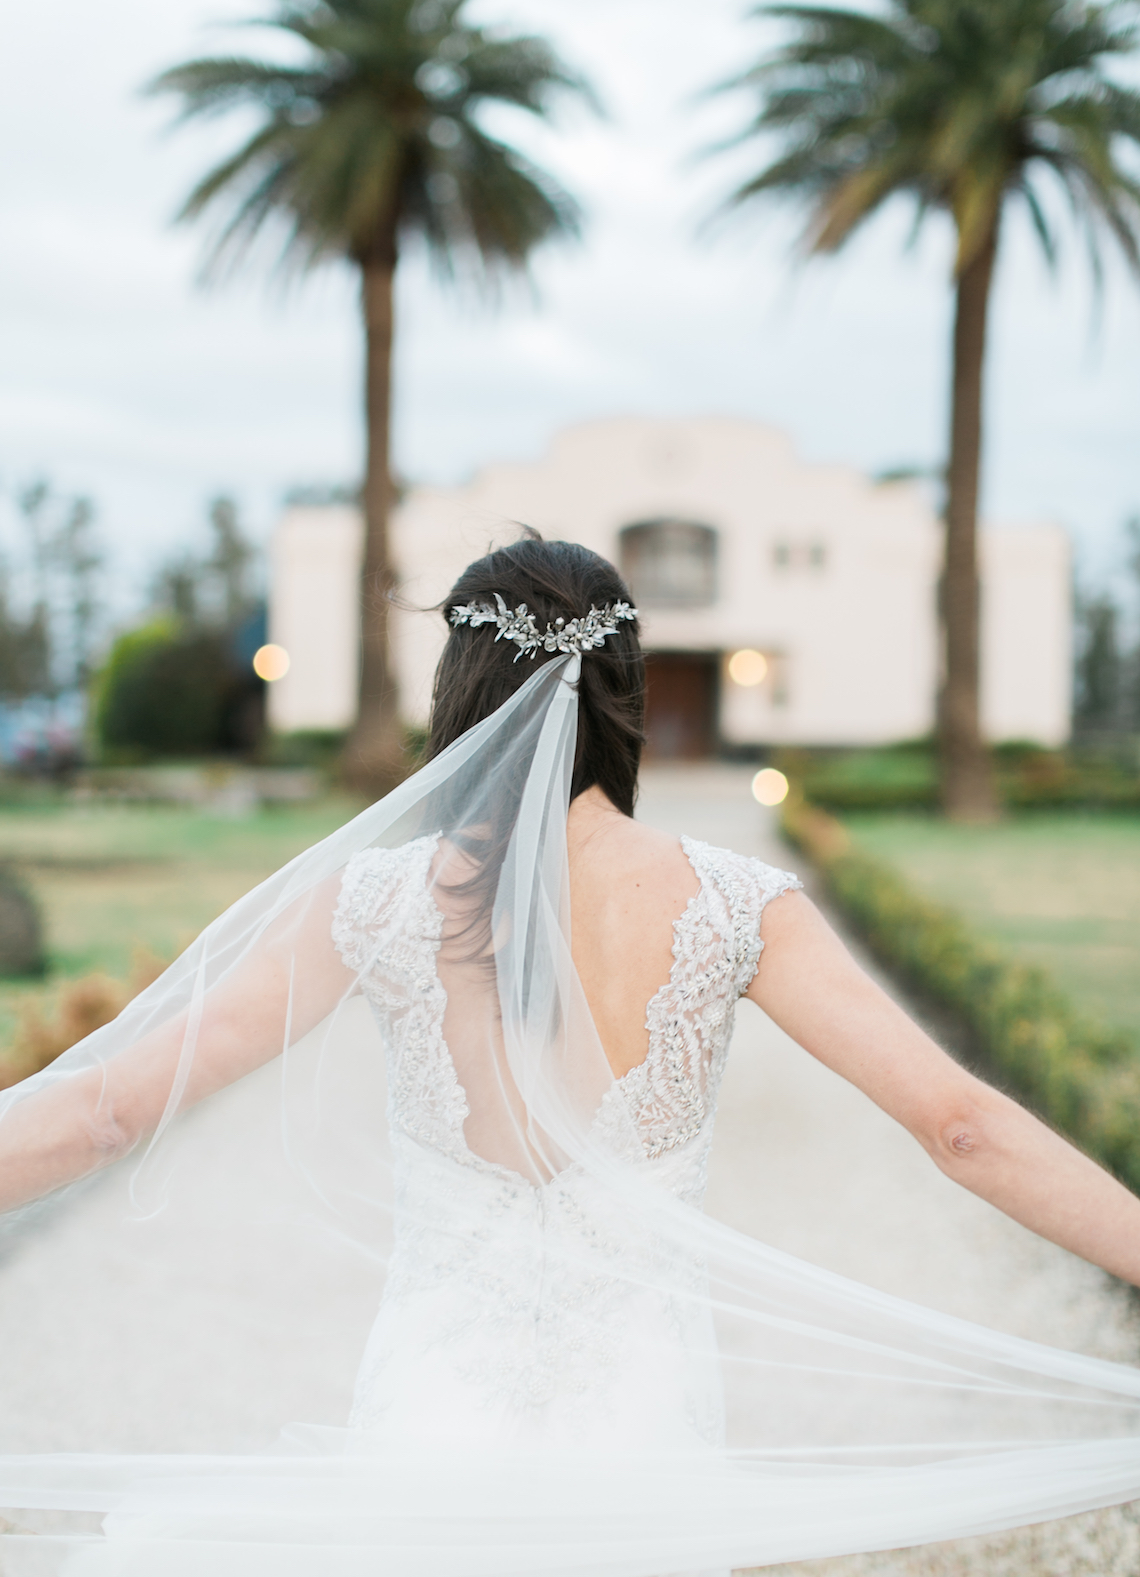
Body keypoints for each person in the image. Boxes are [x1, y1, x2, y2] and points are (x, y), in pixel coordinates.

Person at [0, 533, 1139, 1577]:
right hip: (642, 1424)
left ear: (460, 699)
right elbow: (962, 1124)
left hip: (434, 1416)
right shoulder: (738, 906)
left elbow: (106, 1110)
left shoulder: (376, 900)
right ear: (627, 696)